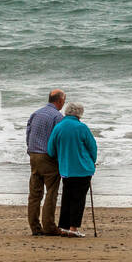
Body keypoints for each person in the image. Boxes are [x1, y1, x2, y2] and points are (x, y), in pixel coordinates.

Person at [48, 100, 98, 237]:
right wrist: (93, 161)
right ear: (80, 113)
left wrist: (60, 157)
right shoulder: (82, 128)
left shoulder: (58, 127)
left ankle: (64, 227)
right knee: (79, 199)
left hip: (66, 169)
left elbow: (51, 149)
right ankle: (73, 228)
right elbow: (92, 147)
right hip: (83, 169)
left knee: (67, 197)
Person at [25, 89, 66, 236]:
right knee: (51, 192)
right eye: (64, 100)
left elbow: (28, 133)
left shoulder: (36, 113)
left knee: (35, 194)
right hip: (48, 157)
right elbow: (59, 140)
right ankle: (49, 226)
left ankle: (35, 227)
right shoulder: (58, 117)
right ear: (60, 101)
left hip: (34, 155)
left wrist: (31, 150)